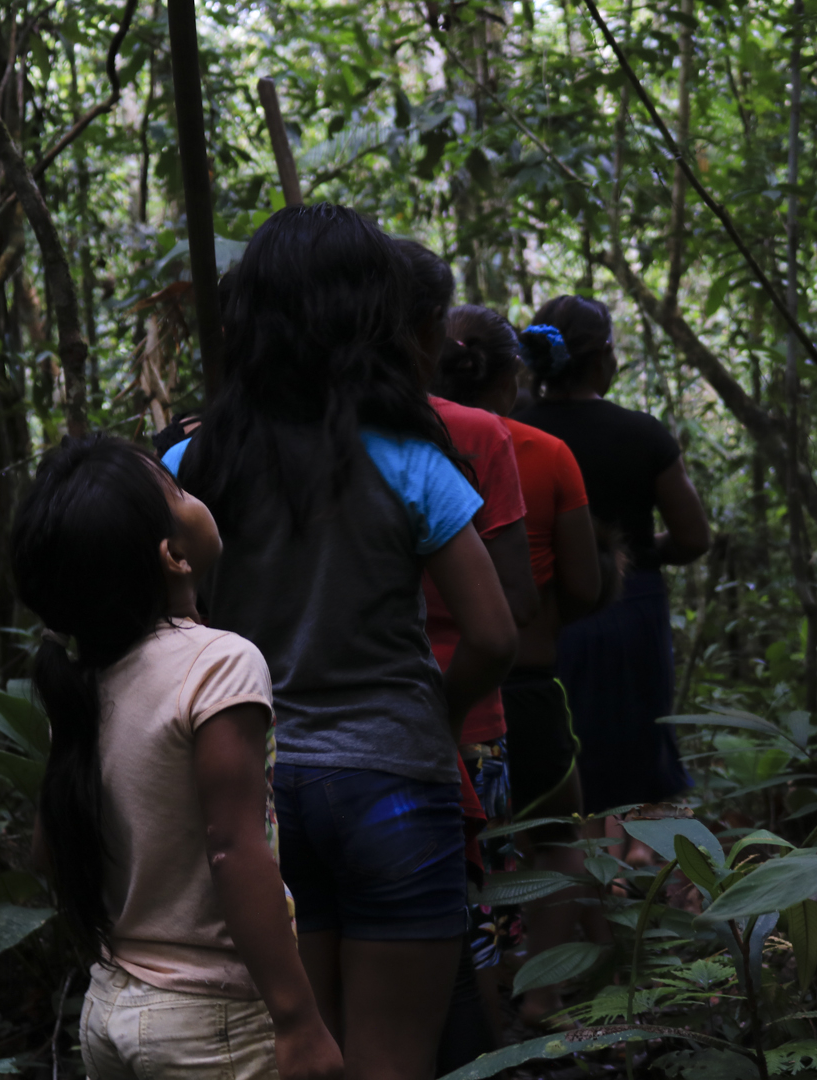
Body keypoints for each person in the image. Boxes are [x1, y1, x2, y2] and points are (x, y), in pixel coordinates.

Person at [163, 205, 517, 1080]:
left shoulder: (190, 470)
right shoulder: (410, 460)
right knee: (391, 1062)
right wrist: (438, 713)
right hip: (393, 781)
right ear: (372, 319)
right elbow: (494, 632)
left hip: (256, 795)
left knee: (301, 1054)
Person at [11, 435, 341, 1080]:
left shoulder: (84, 685)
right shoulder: (219, 662)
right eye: (177, 489)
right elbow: (233, 848)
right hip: (209, 1020)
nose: (192, 492)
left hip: (110, 1003)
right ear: (175, 556)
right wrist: (298, 1020)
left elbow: (48, 851)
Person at [435, 304, 607, 1027]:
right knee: (559, 837)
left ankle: (480, 1004)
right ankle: (541, 995)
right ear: (512, 377)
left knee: (459, 859)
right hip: (520, 684)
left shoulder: (394, 440)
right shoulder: (540, 451)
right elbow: (585, 586)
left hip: (423, 687)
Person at [396, 242, 533, 1065]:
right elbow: (511, 603)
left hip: (358, 723)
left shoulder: (321, 434)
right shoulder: (479, 434)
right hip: (466, 711)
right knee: (476, 912)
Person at [515, 296, 710, 823]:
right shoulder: (642, 434)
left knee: (554, 756)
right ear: (603, 355)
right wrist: (637, 554)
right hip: (630, 610)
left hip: (543, 610)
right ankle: (638, 865)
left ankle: (565, 866)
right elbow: (693, 537)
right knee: (637, 755)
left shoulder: (512, 432)